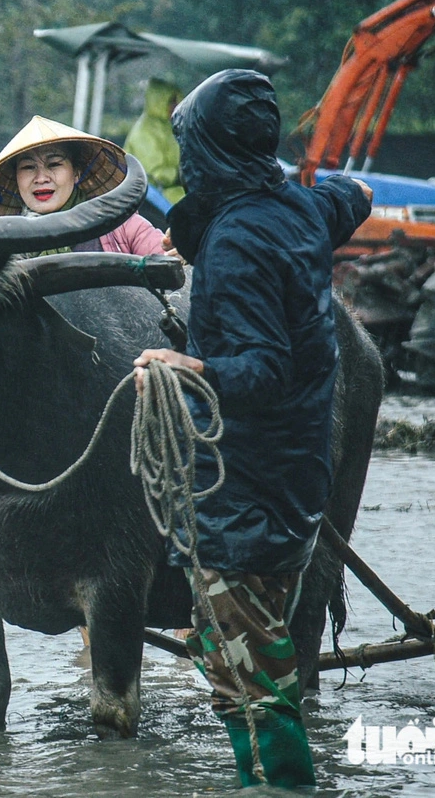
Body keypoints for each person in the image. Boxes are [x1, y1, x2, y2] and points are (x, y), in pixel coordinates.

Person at [132, 70, 373, 788]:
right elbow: (355, 196)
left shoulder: (236, 242)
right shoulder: (304, 210)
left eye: (186, 144)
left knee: (254, 693)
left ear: (205, 147)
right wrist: (353, 193)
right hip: (297, 479)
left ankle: (284, 788)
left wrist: (187, 366)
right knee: (248, 666)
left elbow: (263, 369)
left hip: (246, 491)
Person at [0, 115, 167, 256]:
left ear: (76, 173)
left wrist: (175, 253)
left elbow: (166, 259)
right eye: (28, 167)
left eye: (54, 164)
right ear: (16, 178)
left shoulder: (121, 226)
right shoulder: (4, 245)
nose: (41, 178)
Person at [124, 78, 186, 223]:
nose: (175, 105)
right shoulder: (144, 130)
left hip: (172, 187)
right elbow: (157, 173)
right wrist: (181, 174)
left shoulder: (170, 126)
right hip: (149, 191)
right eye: (171, 101)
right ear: (158, 102)